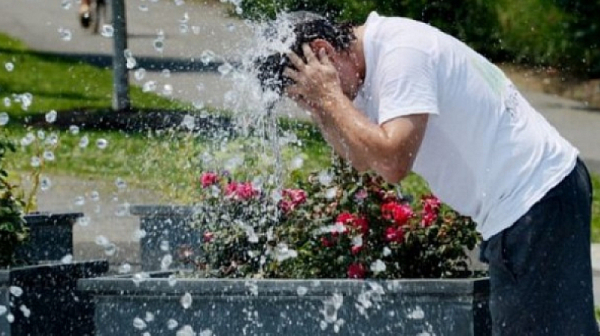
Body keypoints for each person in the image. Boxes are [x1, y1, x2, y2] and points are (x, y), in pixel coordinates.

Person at [261, 11, 599, 336]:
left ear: (323, 51)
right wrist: (327, 104)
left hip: (535, 199)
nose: (309, 105)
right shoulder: (361, 70)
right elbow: (361, 158)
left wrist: (330, 97)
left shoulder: (401, 55)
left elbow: (394, 161)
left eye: (305, 97)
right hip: (526, 206)